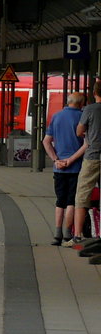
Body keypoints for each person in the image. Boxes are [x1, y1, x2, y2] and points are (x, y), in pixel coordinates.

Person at [43, 91, 85, 244]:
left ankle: (57, 234)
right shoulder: (82, 117)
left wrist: (56, 160)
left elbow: (46, 142)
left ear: (68, 102)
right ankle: (68, 233)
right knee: (71, 201)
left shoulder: (56, 116)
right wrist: (71, 160)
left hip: (58, 168)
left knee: (60, 200)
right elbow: (87, 144)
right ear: (81, 104)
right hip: (76, 167)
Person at [72, 81, 101, 247]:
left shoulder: (90, 109)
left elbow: (79, 131)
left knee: (82, 194)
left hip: (92, 157)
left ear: (94, 93)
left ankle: (77, 235)